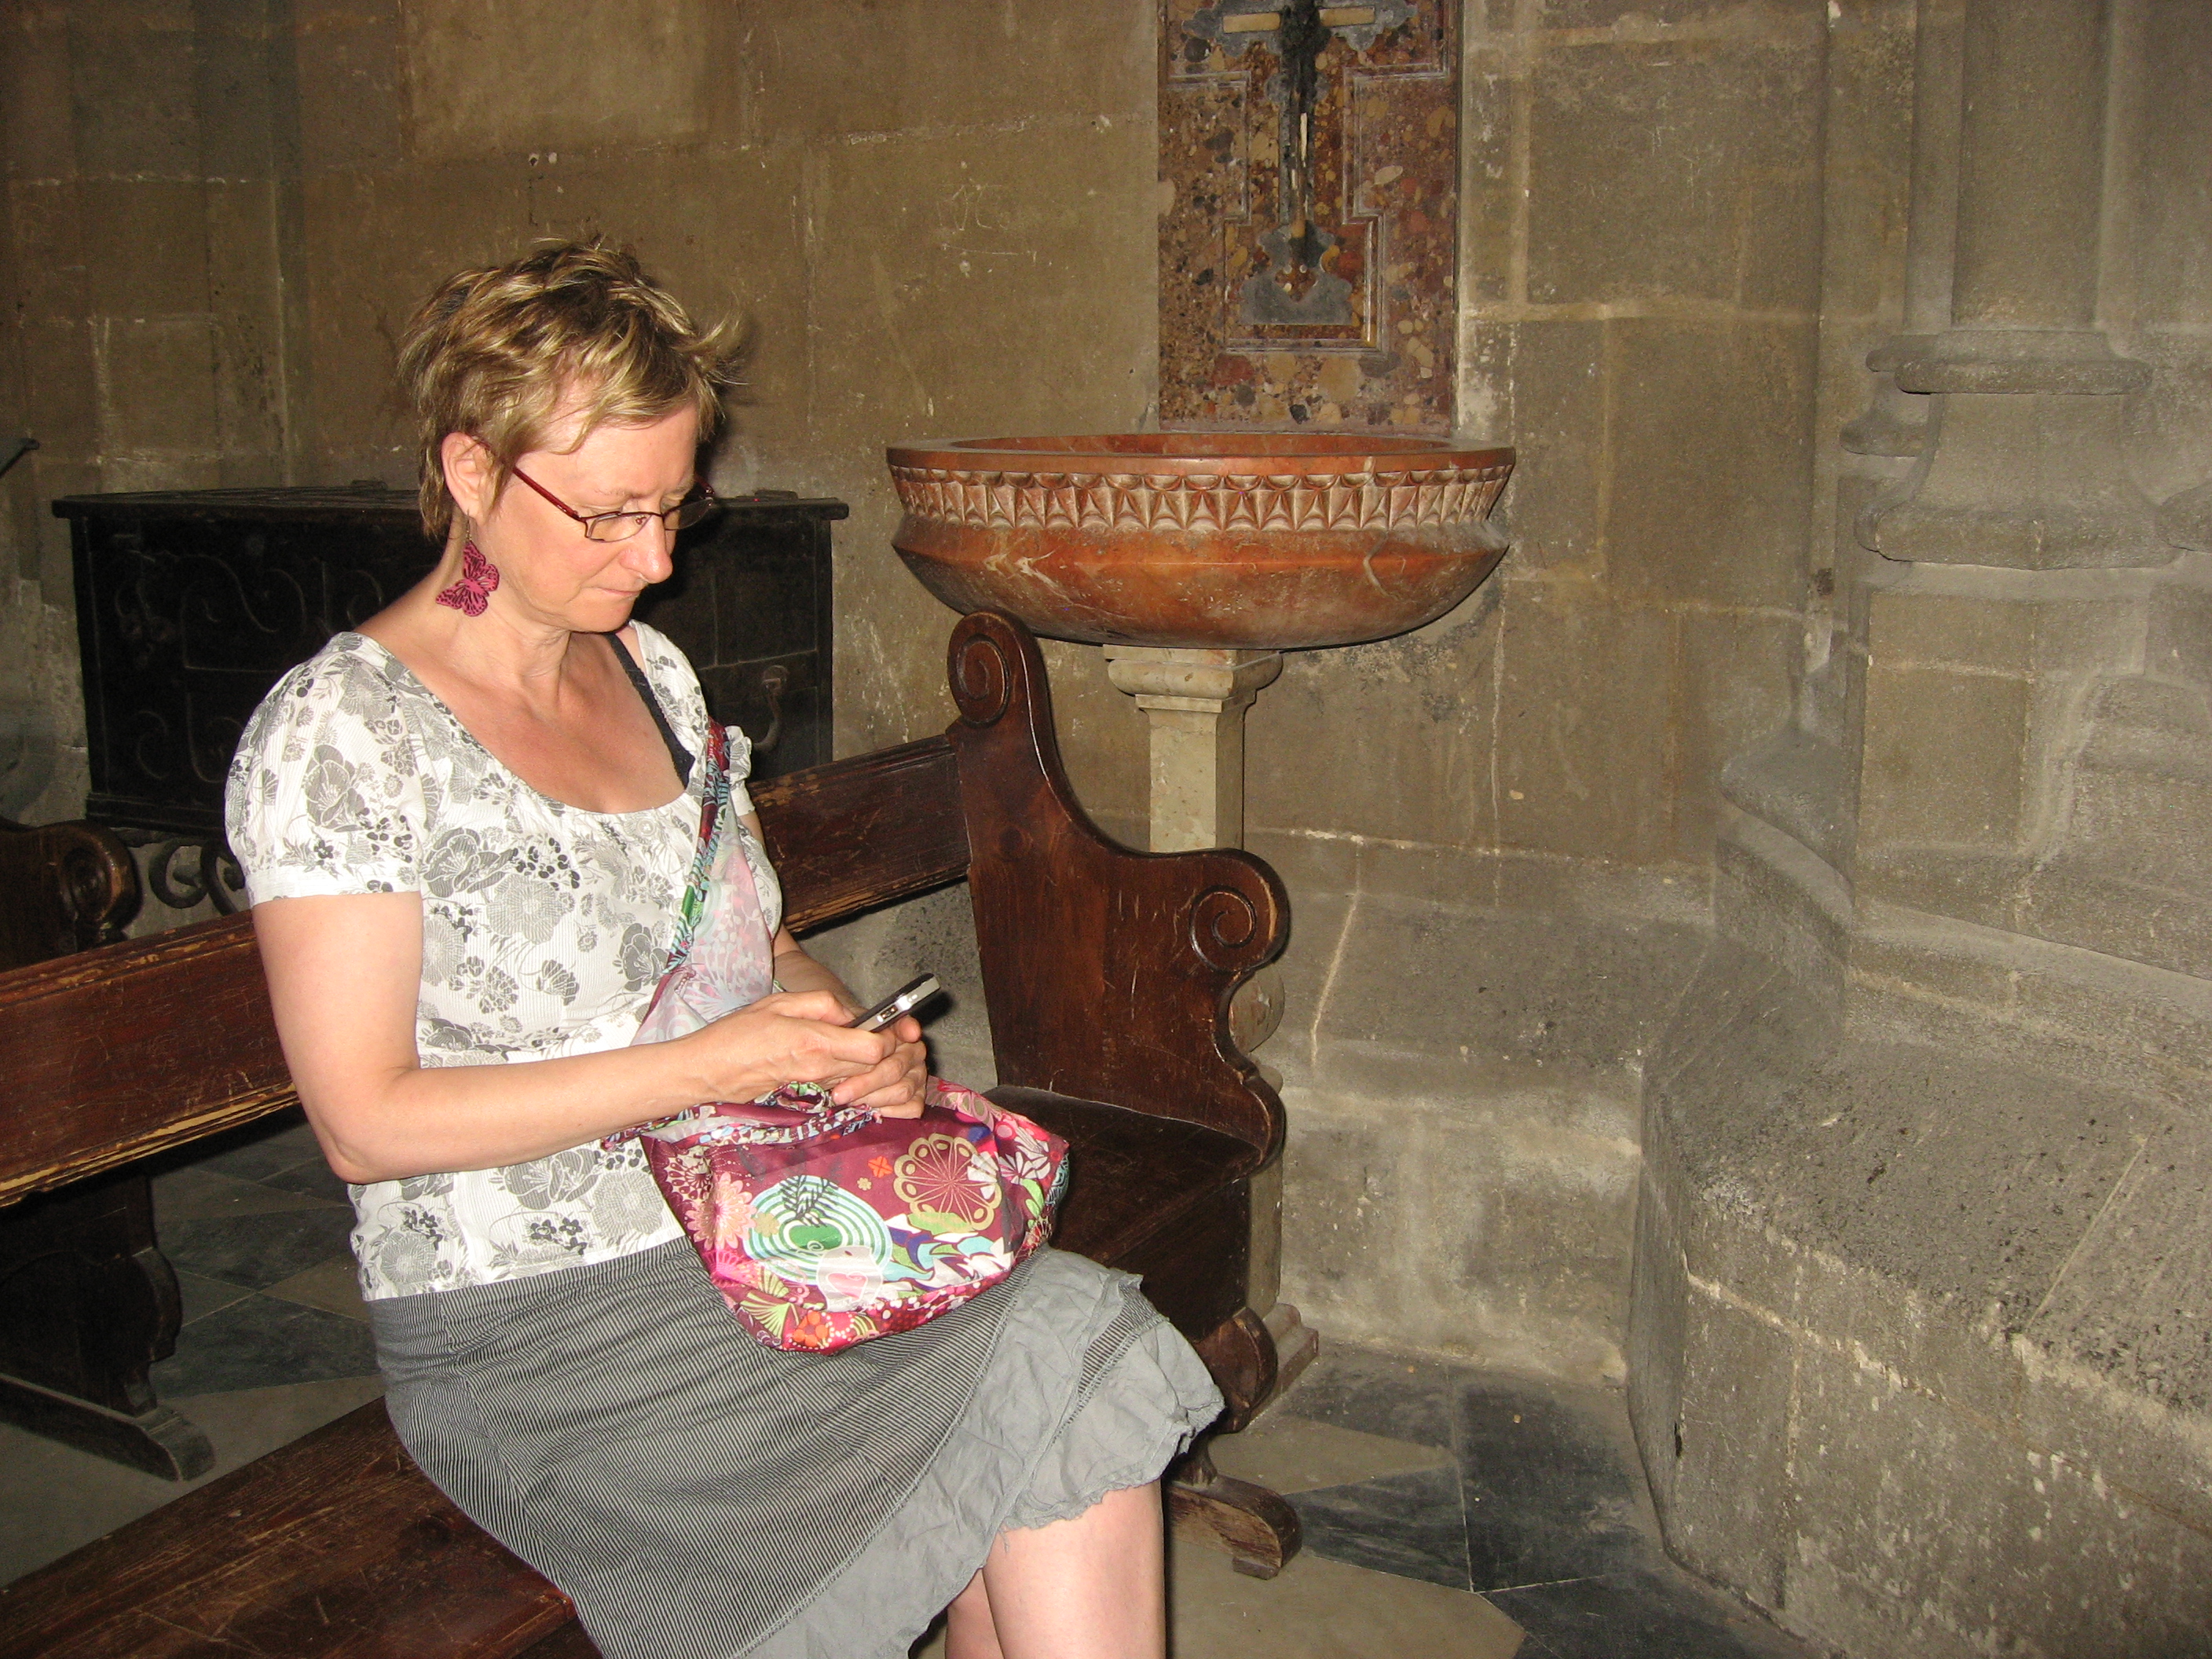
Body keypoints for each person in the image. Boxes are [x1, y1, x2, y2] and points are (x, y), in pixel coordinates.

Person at [224, 240, 1220, 1659]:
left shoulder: (652, 673)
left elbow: (764, 946)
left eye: (674, 506)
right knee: (1040, 1366)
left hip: (759, 1224)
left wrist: (841, 1045)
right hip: (540, 1329)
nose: (655, 560)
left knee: (1060, 1346)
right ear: (470, 470)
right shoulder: (345, 736)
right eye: (610, 514)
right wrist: (708, 1066)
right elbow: (364, 1123)